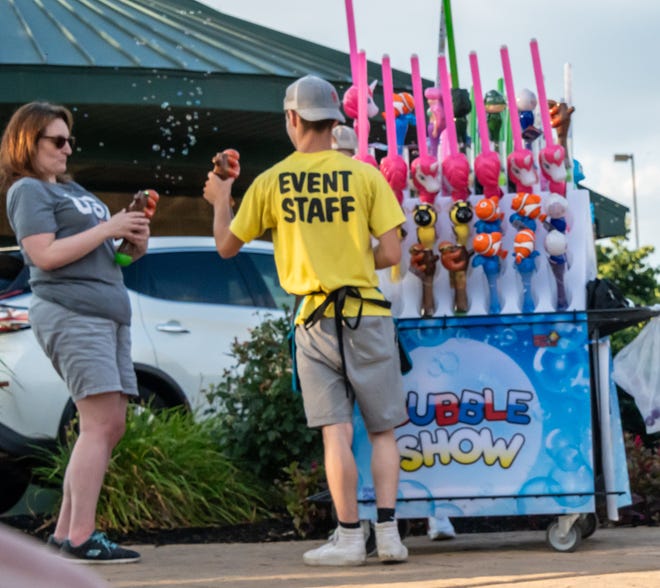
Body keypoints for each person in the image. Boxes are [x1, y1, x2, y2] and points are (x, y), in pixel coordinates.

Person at [203, 75, 408, 567]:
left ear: (292, 119)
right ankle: (391, 535)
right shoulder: (365, 176)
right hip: (368, 313)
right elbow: (393, 251)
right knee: (383, 432)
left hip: (315, 321)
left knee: (335, 431)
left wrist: (220, 200)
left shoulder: (272, 181)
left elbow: (226, 246)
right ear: (336, 120)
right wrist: (352, 259)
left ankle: (349, 538)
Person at [0, 102, 148, 563]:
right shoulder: (27, 191)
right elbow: (43, 256)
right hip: (71, 313)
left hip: (106, 315)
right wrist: (109, 224)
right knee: (100, 424)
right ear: (29, 142)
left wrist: (131, 244)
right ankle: (82, 538)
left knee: (109, 425)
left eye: (70, 141)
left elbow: (108, 258)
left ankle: (67, 535)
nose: (67, 149)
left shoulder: (71, 190)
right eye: (57, 141)